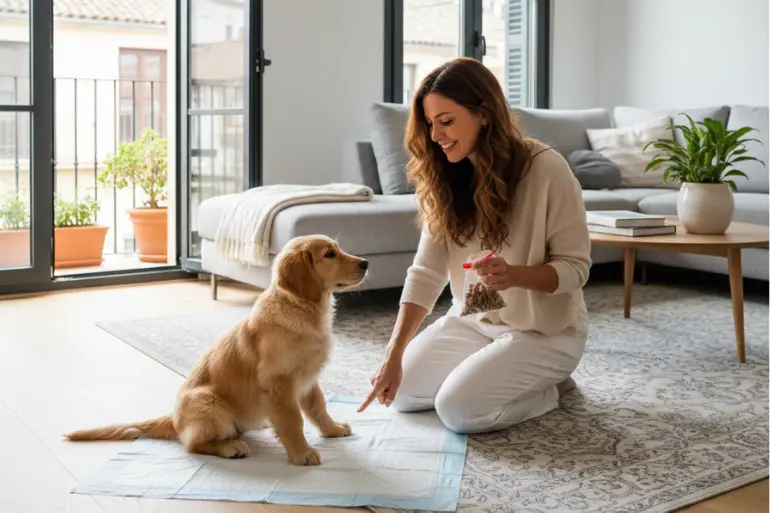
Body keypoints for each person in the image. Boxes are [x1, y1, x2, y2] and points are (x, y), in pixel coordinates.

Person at [357, 57, 591, 435]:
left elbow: (576, 269)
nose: (435, 136)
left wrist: (514, 276)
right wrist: (393, 354)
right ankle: (493, 373)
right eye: (430, 124)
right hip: (475, 321)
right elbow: (427, 272)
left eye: (446, 121)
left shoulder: (546, 169)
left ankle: (548, 390)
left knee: (457, 411)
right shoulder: (445, 176)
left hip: (546, 332)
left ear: (483, 114)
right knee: (400, 393)